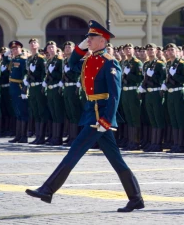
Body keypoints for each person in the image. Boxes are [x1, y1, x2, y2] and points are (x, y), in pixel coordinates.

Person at [26, 20, 144, 212]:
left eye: (92, 37)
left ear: (103, 40)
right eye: (87, 36)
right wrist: (81, 47)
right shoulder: (90, 59)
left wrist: (106, 120)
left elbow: (115, 94)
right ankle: (136, 198)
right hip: (91, 112)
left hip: (99, 117)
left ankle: (48, 189)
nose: (88, 40)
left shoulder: (110, 63)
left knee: (74, 152)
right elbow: (71, 64)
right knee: (116, 160)